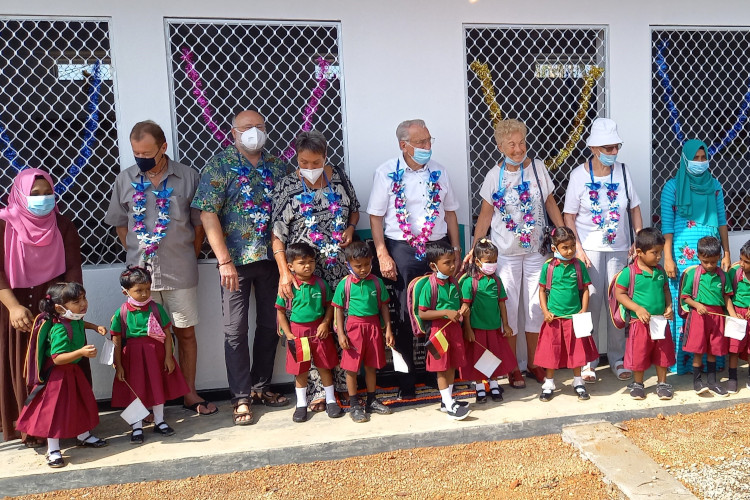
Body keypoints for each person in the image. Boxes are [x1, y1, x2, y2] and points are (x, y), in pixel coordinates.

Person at [105, 120, 215, 417]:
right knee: (144, 340)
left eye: (147, 152)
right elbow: (120, 223)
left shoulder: (188, 177)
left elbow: (199, 226)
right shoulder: (125, 179)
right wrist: (136, 252)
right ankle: (152, 398)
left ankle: (189, 393)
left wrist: (187, 256)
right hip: (141, 277)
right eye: (136, 152)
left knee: (185, 332)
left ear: (163, 148)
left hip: (180, 271)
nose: (140, 158)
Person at [192, 109, 291, 426]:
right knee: (235, 331)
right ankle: (241, 397)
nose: (254, 132)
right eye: (247, 127)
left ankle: (261, 387)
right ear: (233, 132)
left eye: (259, 126)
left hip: (273, 260)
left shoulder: (277, 166)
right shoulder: (219, 165)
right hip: (234, 264)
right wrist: (223, 260)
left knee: (269, 325)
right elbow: (207, 214)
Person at [467, 118, 564, 389]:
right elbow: (485, 216)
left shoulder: (538, 168)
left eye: (521, 142)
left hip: (535, 252)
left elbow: (550, 203)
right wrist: (475, 248)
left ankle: (533, 362)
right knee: (508, 310)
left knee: (535, 309)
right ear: (500, 146)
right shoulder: (492, 176)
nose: (518, 148)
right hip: (505, 254)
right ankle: (512, 368)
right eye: (511, 144)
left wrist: (565, 234)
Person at [368, 119, 462, 399]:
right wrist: (382, 253)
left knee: (442, 309)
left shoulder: (440, 171)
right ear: (403, 145)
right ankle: (406, 382)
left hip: (438, 246)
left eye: (429, 141)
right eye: (421, 143)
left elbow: (451, 212)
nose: (427, 147)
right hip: (403, 247)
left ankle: (439, 376)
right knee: (406, 313)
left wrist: (455, 250)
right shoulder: (386, 173)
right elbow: (375, 216)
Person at [271, 130, 359, 411]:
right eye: (303, 162)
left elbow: (354, 209)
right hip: (305, 274)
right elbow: (277, 235)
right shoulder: (287, 187)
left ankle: (345, 387)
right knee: (309, 331)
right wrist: (285, 273)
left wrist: (350, 228)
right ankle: (318, 392)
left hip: (338, 271)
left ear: (325, 157)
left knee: (339, 326)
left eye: (315, 161)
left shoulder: (340, 179)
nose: (309, 167)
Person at [0, 168, 83, 446]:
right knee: (21, 363)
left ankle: (65, 421)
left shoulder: (62, 224)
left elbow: (72, 268)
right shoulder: (3, 225)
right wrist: (13, 307)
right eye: (35, 194)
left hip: (54, 307)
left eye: (48, 193)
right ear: (20, 195)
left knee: (56, 362)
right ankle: (28, 426)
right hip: (16, 307)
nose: (43, 199)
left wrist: (71, 306)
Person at [563, 118, 643, 383]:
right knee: (591, 305)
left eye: (616, 147)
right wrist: (578, 249)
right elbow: (569, 217)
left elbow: (634, 208)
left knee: (617, 305)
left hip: (620, 249)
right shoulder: (578, 175)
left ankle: (619, 358)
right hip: (589, 252)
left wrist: (638, 240)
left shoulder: (622, 171)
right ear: (594, 149)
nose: (613, 153)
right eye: (608, 148)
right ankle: (588, 360)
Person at [16, 282, 107, 468]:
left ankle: (83, 435)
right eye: (76, 301)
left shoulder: (74, 319)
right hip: (57, 378)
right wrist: (81, 353)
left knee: (79, 404)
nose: (83, 304)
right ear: (59, 307)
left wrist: (95, 327)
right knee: (54, 413)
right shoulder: (58, 328)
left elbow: (82, 323)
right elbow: (57, 358)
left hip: (72, 373)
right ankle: (53, 449)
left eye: (84, 298)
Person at [661, 139, 731, 374]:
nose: (700, 163)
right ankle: (685, 362)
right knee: (686, 305)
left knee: (712, 306)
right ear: (685, 159)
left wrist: (727, 253)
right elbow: (668, 227)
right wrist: (667, 258)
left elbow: (722, 221)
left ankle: (712, 362)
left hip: (711, 252)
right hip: (683, 256)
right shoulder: (672, 187)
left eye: (704, 158)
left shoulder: (715, 185)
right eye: (696, 158)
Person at [111, 266, 190, 443]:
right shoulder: (121, 313)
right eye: (139, 290)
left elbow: (167, 334)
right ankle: (137, 427)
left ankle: (160, 421)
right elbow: (116, 340)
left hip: (156, 356)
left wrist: (169, 357)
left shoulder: (156, 309)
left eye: (147, 289)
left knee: (157, 387)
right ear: (126, 292)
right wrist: (119, 365)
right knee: (135, 391)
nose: (145, 294)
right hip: (132, 358)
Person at [275, 243, 343, 423]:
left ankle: (330, 400)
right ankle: (301, 404)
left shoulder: (320, 284)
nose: (307, 266)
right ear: (290, 266)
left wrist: (325, 323)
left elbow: (330, 306)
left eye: (311, 261)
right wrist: (288, 333)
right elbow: (280, 311)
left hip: (319, 331)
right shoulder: (288, 287)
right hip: (298, 333)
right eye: (302, 262)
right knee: (301, 371)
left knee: (324, 365)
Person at [332, 241, 394, 423]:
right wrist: (341, 334)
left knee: (371, 366)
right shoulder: (345, 285)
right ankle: (354, 405)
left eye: (367, 264)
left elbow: (383, 306)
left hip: (373, 327)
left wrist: (388, 328)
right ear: (348, 264)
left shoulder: (377, 282)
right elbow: (338, 310)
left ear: (372, 261)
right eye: (358, 266)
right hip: (353, 329)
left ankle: (372, 400)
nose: (363, 269)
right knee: (351, 369)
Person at [535, 227, 597, 402]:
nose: (570, 251)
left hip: (574, 318)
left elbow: (585, 289)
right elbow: (541, 291)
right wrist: (545, 311)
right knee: (551, 351)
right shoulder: (548, 267)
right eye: (565, 247)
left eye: (572, 247)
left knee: (577, 352)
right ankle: (549, 383)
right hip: (553, 318)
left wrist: (583, 309)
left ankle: (578, 382)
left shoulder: (579, 266)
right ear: (555, 248)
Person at [613, 228, 675, 400]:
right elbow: (620, 294)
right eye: (654, 253)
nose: (659, 257)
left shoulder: (660, 271)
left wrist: (669, 307)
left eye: (660, 252)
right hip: (639, 323)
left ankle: (662, 383)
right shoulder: (630, 272)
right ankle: (638, 384)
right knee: (639, 353)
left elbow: (666, 291)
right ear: (639, 252)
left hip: (659, 321)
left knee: (662, 353)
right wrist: (637, 309)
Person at [459, 238, 518, 403]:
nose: (492, 264)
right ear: (477, 261)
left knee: (494, 357)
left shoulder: (497, 282)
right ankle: (480, 388)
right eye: (488, 261)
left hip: (494, 329)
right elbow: (466, 308)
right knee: (478, 359)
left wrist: (505, 324)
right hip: (477, 330)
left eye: (495, 261)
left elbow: (502, 304)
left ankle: (493, 385)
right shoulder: (470, 282)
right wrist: (468, 329)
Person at [417, 241, 471, 420]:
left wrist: (463, 308)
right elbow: (422, 313)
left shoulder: (454, 282)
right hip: (438, 332)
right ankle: (449, 404)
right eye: (447, 263)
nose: (453, 266)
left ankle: (446, 400)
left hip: (454, 330)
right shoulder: (429, 286)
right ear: (434, 266)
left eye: (453, 261)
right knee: (441, 368)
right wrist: (445, 313)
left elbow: (461, 302)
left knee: (452, 365)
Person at [679, 236, 734, 396]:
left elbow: (726, 298)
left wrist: (733, 315)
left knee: (713, 350)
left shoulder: (723, 276)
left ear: (719, 258)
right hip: (699, 317)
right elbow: (685, 296)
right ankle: (697, 382)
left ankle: (712, 382)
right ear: (699, 257)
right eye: (705, 262)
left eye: (713, 262)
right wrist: (697, 305)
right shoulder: (693, 275)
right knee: (699, 350)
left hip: (717, 318)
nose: (710, 265)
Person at [728, 241, 750, 393]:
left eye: (746, 262)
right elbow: (727, 295)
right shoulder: (735, 272)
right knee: (734, 348)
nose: (742, 264)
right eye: (741, 259)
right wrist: (734, 315)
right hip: (736, 314)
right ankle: (732, 378)